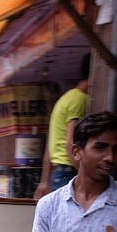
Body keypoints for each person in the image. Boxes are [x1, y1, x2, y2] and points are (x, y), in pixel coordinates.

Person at [36, 53, 90, 198]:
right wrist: (88, 177)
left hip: (59, 173)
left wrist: (44, 181)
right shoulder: (80, 99)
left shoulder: (66, 98)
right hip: (68, 173)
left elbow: (51, 145)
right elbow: (70, 143)